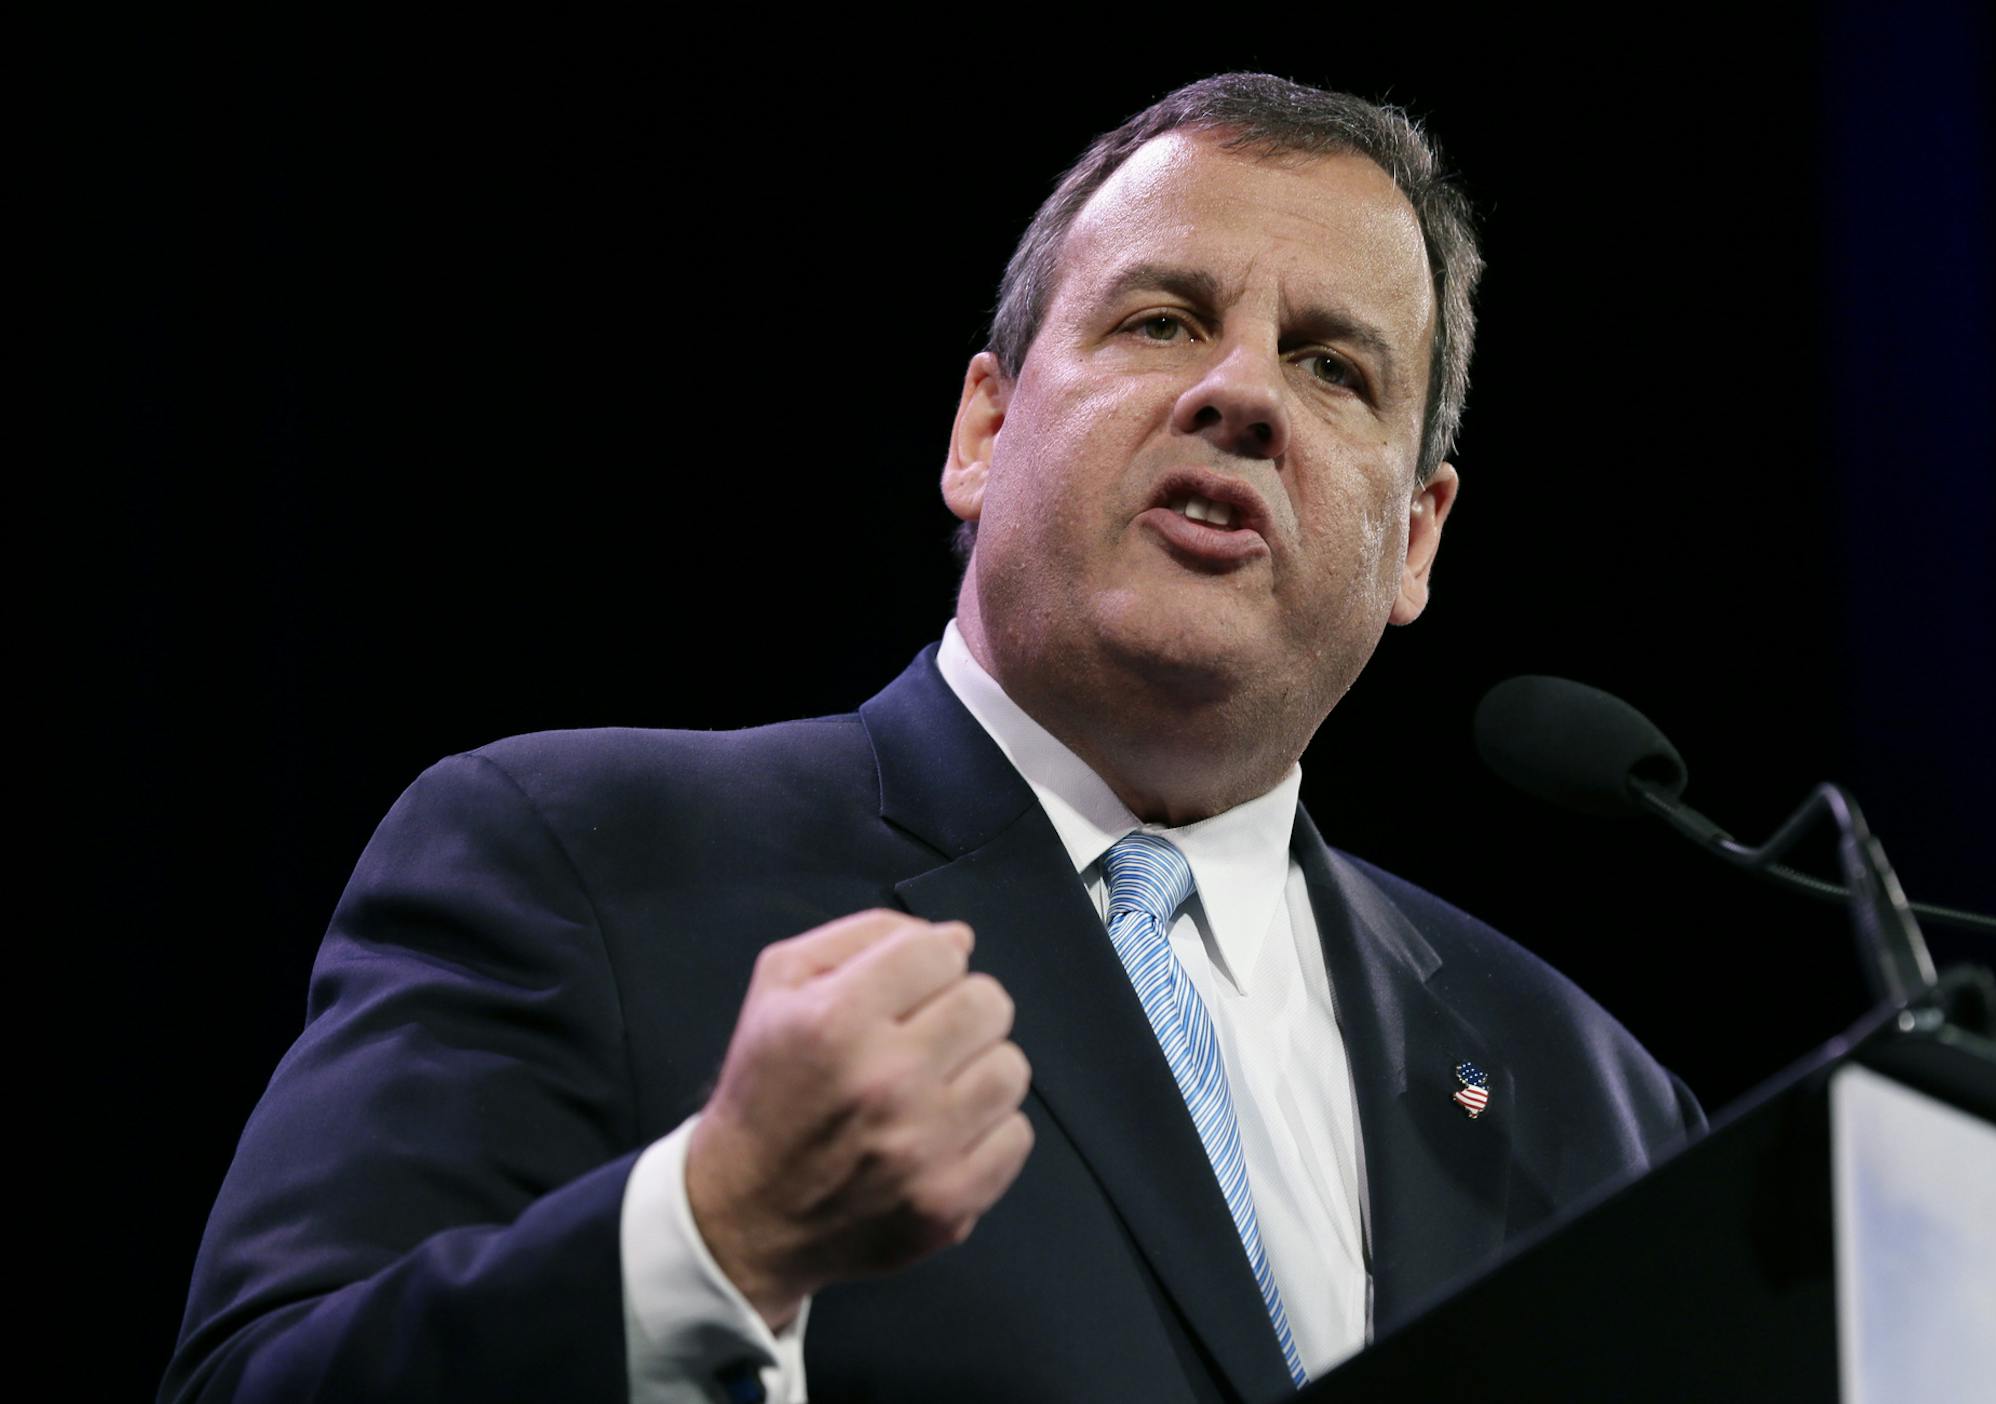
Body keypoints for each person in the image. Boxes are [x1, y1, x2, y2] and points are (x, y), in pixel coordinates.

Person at [163, 74, 1703, 1403]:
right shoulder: (586, 858)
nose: (1240, 393)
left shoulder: (1592, 1099)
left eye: (1333, 366)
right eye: (1164, 320)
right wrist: (712, 1237)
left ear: (1418, 538)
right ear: (983, 431)